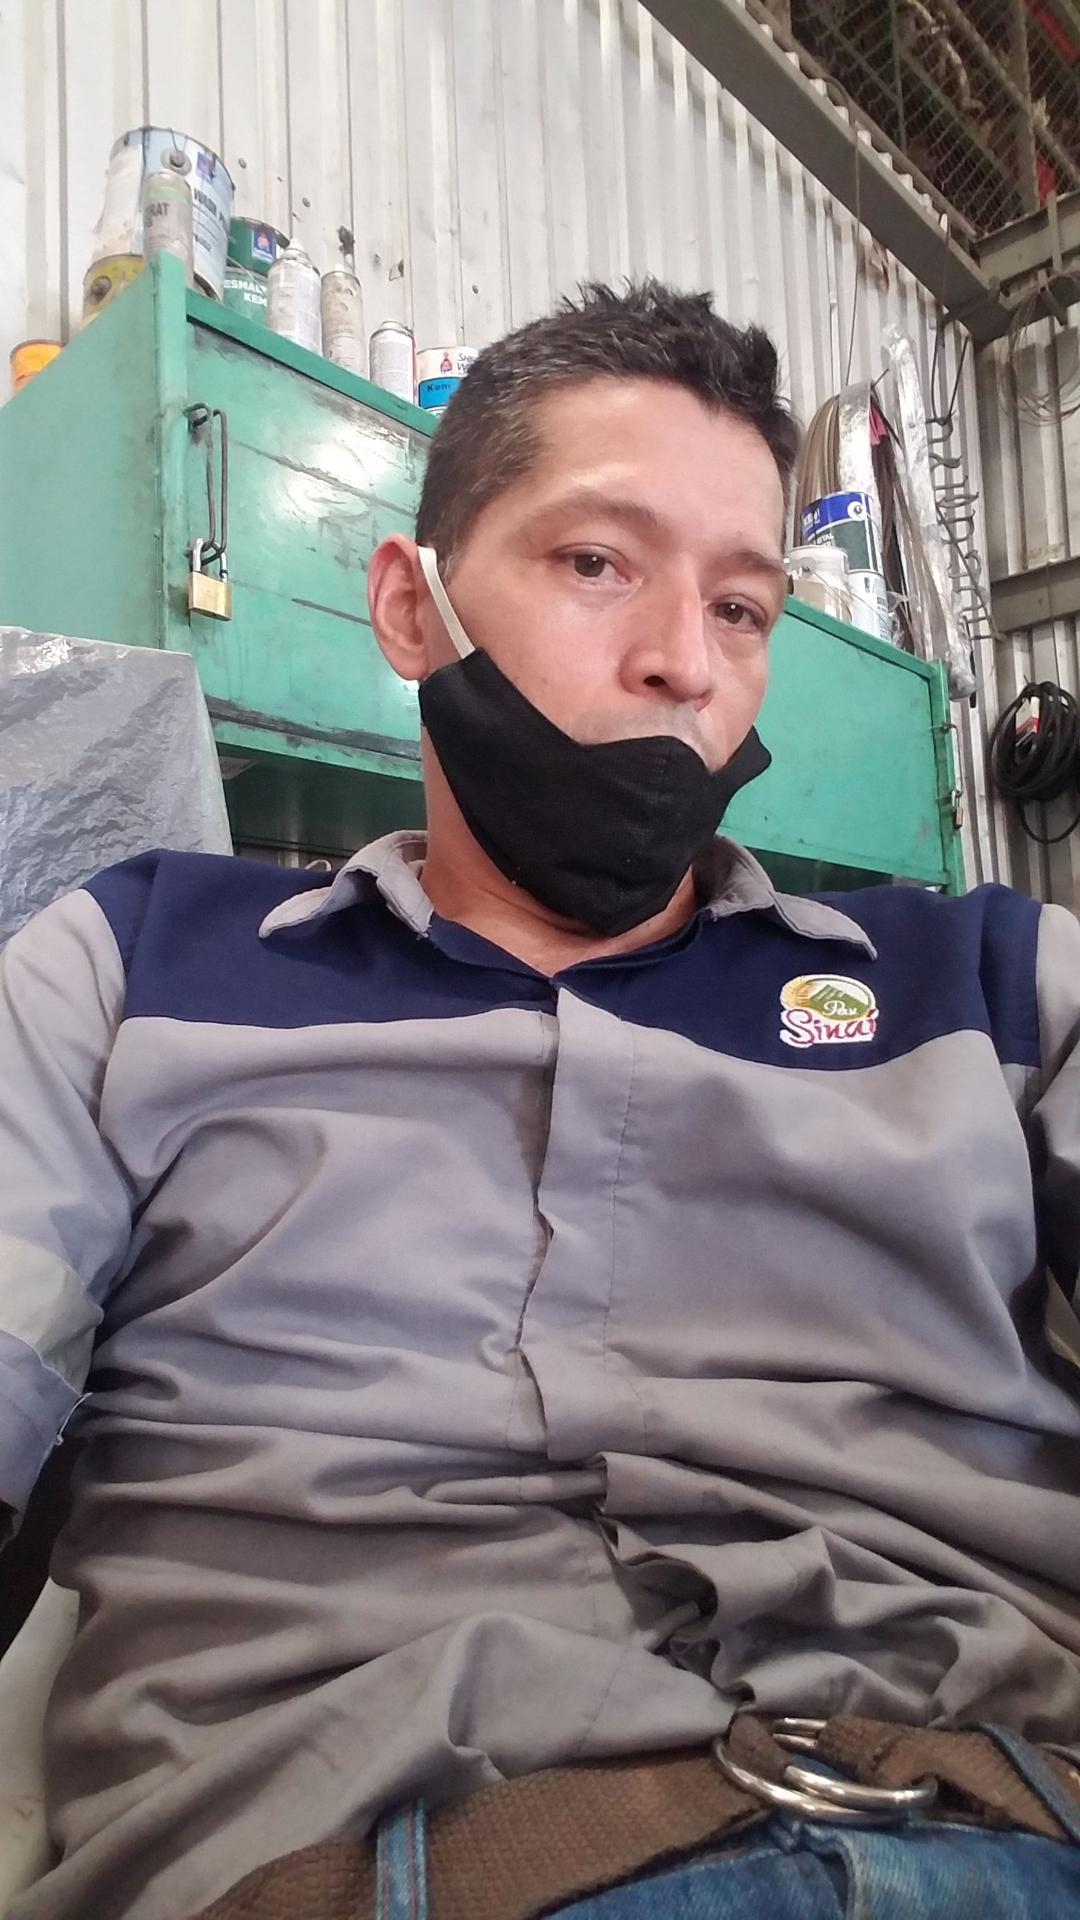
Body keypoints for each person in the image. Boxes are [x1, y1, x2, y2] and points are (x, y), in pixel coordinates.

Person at [2, 280, 1080, 1920]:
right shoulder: (132, 971)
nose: (681, 664)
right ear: (412, 607)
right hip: (366, 1862)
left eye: (742, 608)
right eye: (596, 563)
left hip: (1004, 1820)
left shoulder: (996, 992)